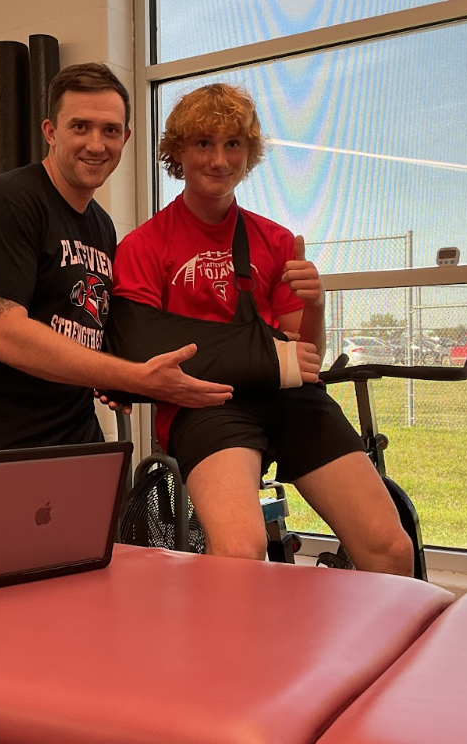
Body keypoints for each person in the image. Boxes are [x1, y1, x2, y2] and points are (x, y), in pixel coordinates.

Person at [112, 83, 413, 576]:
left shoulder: (273, 240)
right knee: (239, 553)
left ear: (248, 154)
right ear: (178, 152)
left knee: (390, 548)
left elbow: (303, 355)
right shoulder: (145, 245)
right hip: (205, 402)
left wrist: (315, 302)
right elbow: (137, 347)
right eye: (203, 144)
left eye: (233, 144)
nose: (219, 159)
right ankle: (230, 654)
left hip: (288, 397)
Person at [0, 64, 232, 498]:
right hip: (0, 451)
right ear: (51, 131)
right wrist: (134, 376)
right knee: (17, 570)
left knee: (99, 568)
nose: (96, 145)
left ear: (126, 139)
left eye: (110, 131)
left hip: (79, 442)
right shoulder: (4, 204)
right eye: (81, 127)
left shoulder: (100, 226)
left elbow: (84, 327)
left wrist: (113, 377)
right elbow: (3, 335)